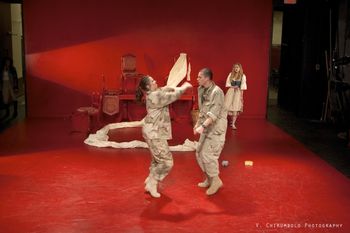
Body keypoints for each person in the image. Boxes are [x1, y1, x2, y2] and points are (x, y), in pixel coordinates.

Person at [136, 75, 192, 198]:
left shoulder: (155, 92)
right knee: (166, 162)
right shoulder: (155, 96)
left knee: (157, 159)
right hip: (154, 134)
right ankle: (153, 182)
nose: (155, 81)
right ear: (147, 87)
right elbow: (173, 96)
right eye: (152, 81)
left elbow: (165, 88)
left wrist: (173, 86)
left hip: (153, 132)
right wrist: (183, 87)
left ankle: (150, 179)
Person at [193, 68, 227, 195]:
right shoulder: (201, 89)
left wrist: (202, 126)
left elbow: (213, 114)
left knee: (208, 155)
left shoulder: (217, 92)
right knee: (199, 152)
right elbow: (203, 111)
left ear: (207, 78)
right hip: (206, 126)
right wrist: (197, 123)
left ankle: (216, 181)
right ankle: (209, 178)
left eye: (199, 77)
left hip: (216, 128)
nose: (197, 79)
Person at [224, 63, 247, 129]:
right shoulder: (230, 74)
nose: (236, 69)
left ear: (240, 68)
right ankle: (224, 122)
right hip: (231, 91)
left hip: (238, 93)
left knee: (236, 107)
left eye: (237, 67)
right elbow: (227, 83)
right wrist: (233, 86)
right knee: (226, 106)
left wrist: (241, 96)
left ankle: (233, 123)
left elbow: (243, 87)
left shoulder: (243, 76)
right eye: (235, 67)